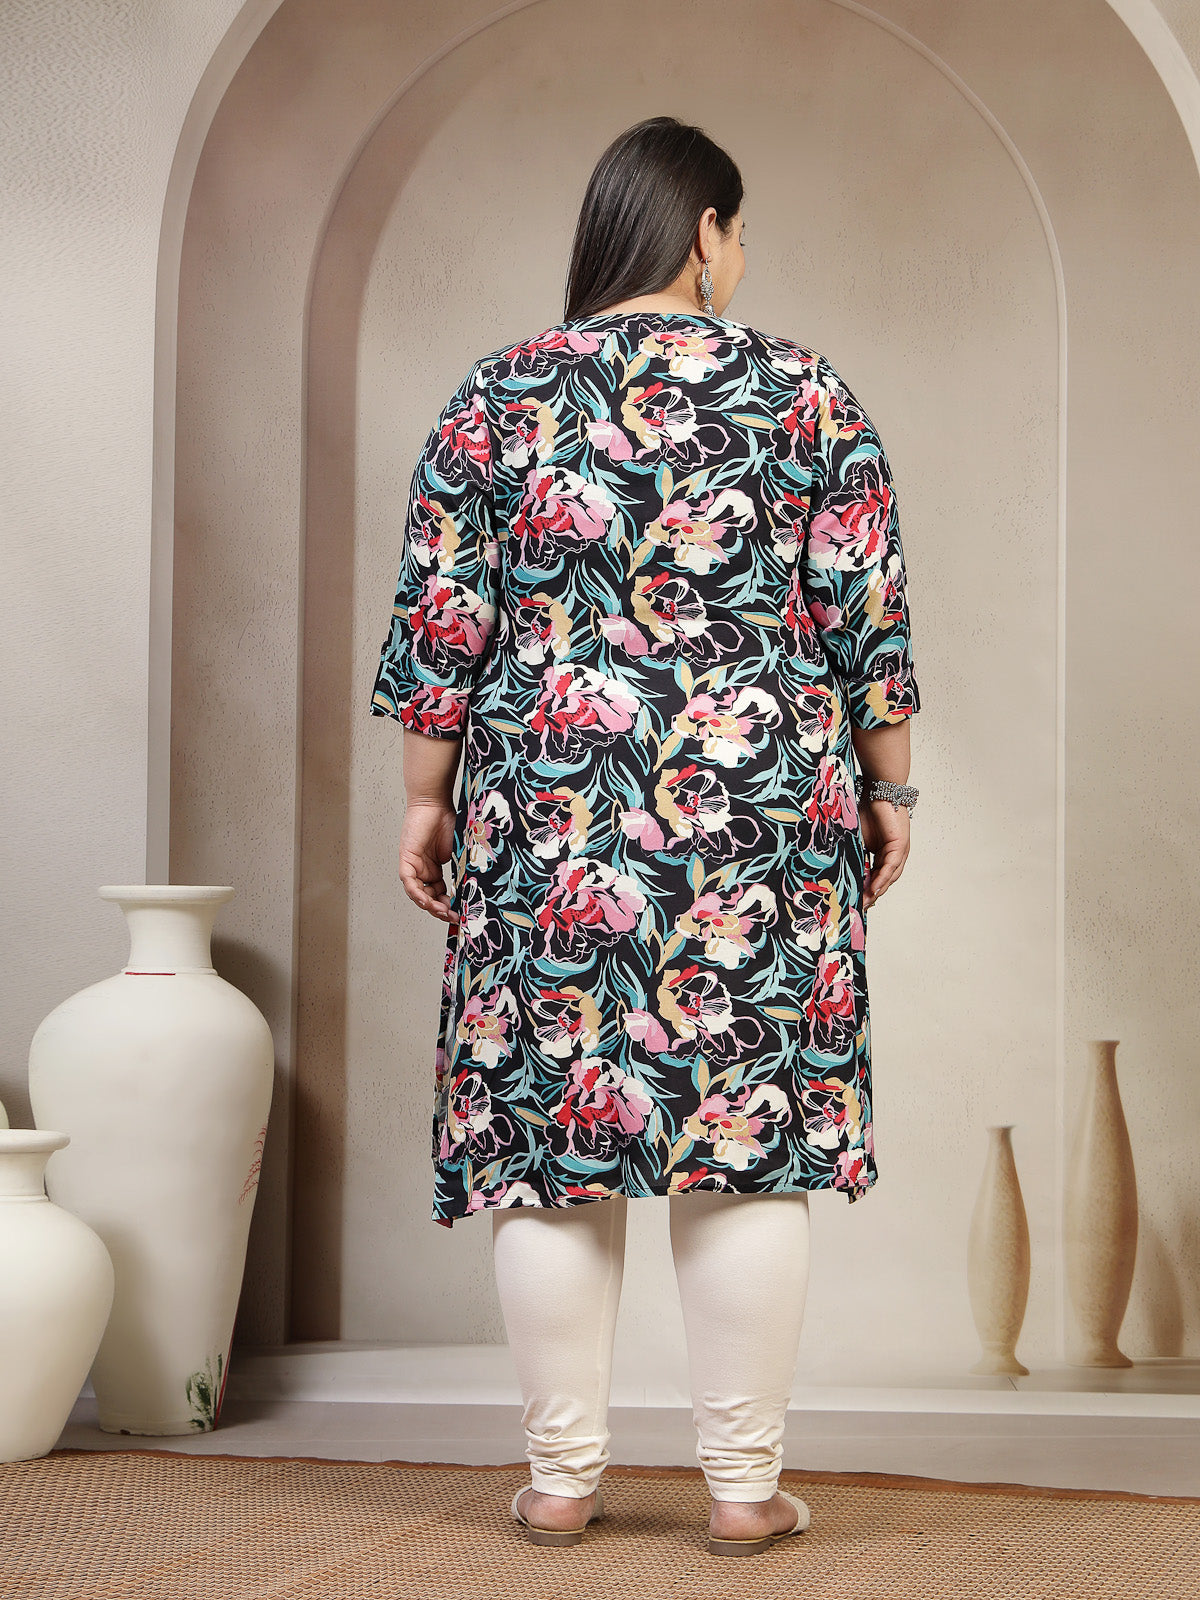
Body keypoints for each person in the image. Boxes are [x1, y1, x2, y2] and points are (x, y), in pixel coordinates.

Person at [369, 115, 921, 1556]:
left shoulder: (500, 392)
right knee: (749, 1133)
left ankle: (562, 1480)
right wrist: (891, 787)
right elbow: (866, 614)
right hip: (759, 811)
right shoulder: (806, 393)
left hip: (548, 806)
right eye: (739, 233)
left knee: (552, 1131)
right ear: (707, 232)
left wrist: (426, 799)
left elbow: (444, 621)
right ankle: (742, 1490)